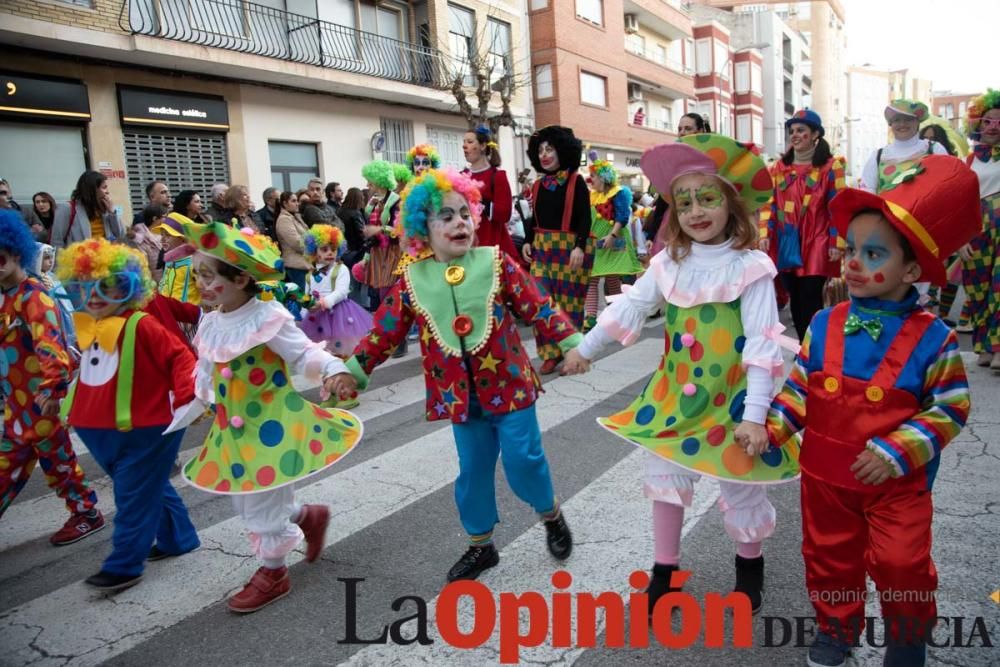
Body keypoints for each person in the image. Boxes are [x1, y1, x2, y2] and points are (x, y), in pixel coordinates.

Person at [563, 135, 793, 617]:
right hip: (674, 398)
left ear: (731, 205)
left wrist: (754, 416)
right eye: (684, 201)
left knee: (740, 482)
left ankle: (749, 566)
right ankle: (665, 571)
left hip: (731, 401)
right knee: (664, 478)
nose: (695, 211)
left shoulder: (751, 268)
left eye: (707, 198)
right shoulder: (670, 262)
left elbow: (762, 346)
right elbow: (634, 303)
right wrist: (584, 349)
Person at [767, 155, 979, 667]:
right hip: (824, 481)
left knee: (902, 562)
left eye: (873, 252)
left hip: (896, 484)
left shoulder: (936, 337)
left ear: (911, 269)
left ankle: (906, 639)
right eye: (850, 250)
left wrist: (895, 450)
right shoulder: (823, 321)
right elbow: (801, 387)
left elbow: (951, 406)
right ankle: (836, 628)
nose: (854, 262)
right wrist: (770, 427)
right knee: (828, 559)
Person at [334, 168, 578, 582]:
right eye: (445, 217)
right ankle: (481, 547)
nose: (459, 222)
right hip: (461, 397)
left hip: (511, 388)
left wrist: (571, 344)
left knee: (525, 462)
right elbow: (385, 330)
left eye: (464, 213)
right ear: (421, 230)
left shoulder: (497, 262)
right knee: (473, 473)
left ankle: (550, 512)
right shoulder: (413, 280)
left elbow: (538, 305)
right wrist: (353, 370)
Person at [177, 219, 362, 613]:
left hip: (272, 427)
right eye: (198, 276)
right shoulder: (210, 321)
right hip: (232, 428)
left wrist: (334, 370)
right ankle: (306, 516)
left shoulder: (266, 316)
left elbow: (304, 352)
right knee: (243, 499)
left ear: (241, 279)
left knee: (260, 503)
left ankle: (273, 571)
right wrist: (199, 401)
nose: (202, 286)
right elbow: (207, 367)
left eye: (210, 276)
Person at [57, 237, 200, 590]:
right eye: (84, 286)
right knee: (147, 485)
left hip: (144, 427)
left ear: (129, 288)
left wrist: (186, 396)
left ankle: (124, 565)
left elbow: (181, 358)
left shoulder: (141, 324)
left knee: (131, 494)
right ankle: (177, 538)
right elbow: (89, 373)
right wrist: (58, 397)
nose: (93, 295)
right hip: (101, 429)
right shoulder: (89, 326)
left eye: (107, 286)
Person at [0, 212, 102, 543]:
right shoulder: (4, 298)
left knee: (58, 463)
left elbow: (51, 344)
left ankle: (86, 512)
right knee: (6, 469)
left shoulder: (32, 295)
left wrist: (53, 388)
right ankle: (84, 510)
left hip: (42, 403)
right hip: (15, 406)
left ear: (16, 251)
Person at [759, 109, 847, 340]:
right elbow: (769, 203)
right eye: (792, 131)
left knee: (811, 298)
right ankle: (803, 347)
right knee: (795, 299)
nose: (795, 135)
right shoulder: (778, 168)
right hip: (785, 240)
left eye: (801, 130)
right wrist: (763, 233)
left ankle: (814, 347)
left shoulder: (831, 167)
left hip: (817, 241)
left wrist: (837, 242)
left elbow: (837, 206)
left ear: (815, 134)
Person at [521, 125, 593, 374]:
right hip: (543, 249)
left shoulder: (577, 181)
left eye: (549, 148)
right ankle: (548, 353)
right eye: (540, 150)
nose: (544, 154)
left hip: (569, 249)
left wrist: (580, 247)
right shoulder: (538, 186)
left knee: (569, 304)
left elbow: (585, 217)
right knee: (542, 302)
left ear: (562, 151)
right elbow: (534, 219)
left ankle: (572, 353)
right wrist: (529, 240)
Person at [961, 88, 1000, 371]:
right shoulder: (970, 161)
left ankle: (998, 347)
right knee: (977, 288)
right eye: (987, 121)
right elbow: (960, 203)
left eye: (999, 122)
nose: (993, 128)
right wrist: (959, 238)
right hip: (977, 227)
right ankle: (983, 345)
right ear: (977, 123)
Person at [584, 160, 643, 332]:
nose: (590, 179)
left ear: (603, 177)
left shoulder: (619, 193)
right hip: (596, 240)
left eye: (593, 176)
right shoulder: (592, 196)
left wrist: (612, 235)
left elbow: (622, 216)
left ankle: (617, 315)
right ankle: (591, 318)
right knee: (592, 279)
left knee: (612, 278)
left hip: (613, 239)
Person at [299, 224, 371, 360]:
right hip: (317, 317)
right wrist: (304, 311)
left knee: (342, 349)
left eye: (333, 249)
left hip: (339, 314)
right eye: (324, 249)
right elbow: (307, 295)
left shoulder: (340, 269)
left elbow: (342, 291)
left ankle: (345, 371)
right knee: (322, 350)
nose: (330, 253)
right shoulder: (310, 274)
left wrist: (324, 302)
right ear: (315, 252)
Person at [860, 100, 948, 194]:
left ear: (917, 122)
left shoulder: (935, 149)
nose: (902, 124)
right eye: (897, 120)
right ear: (891, 124)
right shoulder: (878, 156)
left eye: (908, 119)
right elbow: (867, 192)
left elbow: (947, 184)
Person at [463, 125, 521, 264]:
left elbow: (505, 214)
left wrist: (479, 201)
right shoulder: (461, 177)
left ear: (483, 146)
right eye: (464, 142)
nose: (464, 146)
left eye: (470, 142)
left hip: (492, 244)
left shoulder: (497, 176)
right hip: (466, 245)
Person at [358, 160, 402, 313]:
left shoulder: (395, 201)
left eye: (370, 182)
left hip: (391, 252)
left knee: (389, 292)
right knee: (380, 292)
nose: (368, 185)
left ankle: (395, 329)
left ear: (379, 181)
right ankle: (388, 328)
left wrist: (377, 229)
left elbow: (399, 229)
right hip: (377, 252)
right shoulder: (375, 202)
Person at [50, 171, 125, 249]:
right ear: (92, 190)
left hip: (104, 259)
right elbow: (56, 241)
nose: (107, 192)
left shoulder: (104, 208)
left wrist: (112, 213)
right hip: (77, 259)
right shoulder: (66, 208)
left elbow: (119, 234)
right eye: (104, 187)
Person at [32, 243, 77, 349]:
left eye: (51, 257)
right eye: (46, 258)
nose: (51, 261)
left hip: (62, 313)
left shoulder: (52, 276)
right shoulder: (34, 281)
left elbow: (64, 299)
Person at [152, 212, 200, 305]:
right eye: (162, 235)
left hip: (188, 317)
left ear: (183, 239)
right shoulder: (169, 262)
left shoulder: (193, 264)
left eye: (168, 235)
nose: (162, 239)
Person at [274, 190, 311, 291]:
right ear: (285, 203)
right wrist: (313, 245)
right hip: (295, 265)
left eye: (297, 201)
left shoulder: (295, 217)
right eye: (293, 201)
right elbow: (296, 243)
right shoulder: (284, 220)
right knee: (301, 298)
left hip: (305, 264)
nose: (297, 204)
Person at [130, 203, 165, 283]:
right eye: (165, 217)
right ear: (155, 218)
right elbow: (143, 268)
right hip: (155, 287)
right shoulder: (142, 240)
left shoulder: (165, 235)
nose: (168, 219)